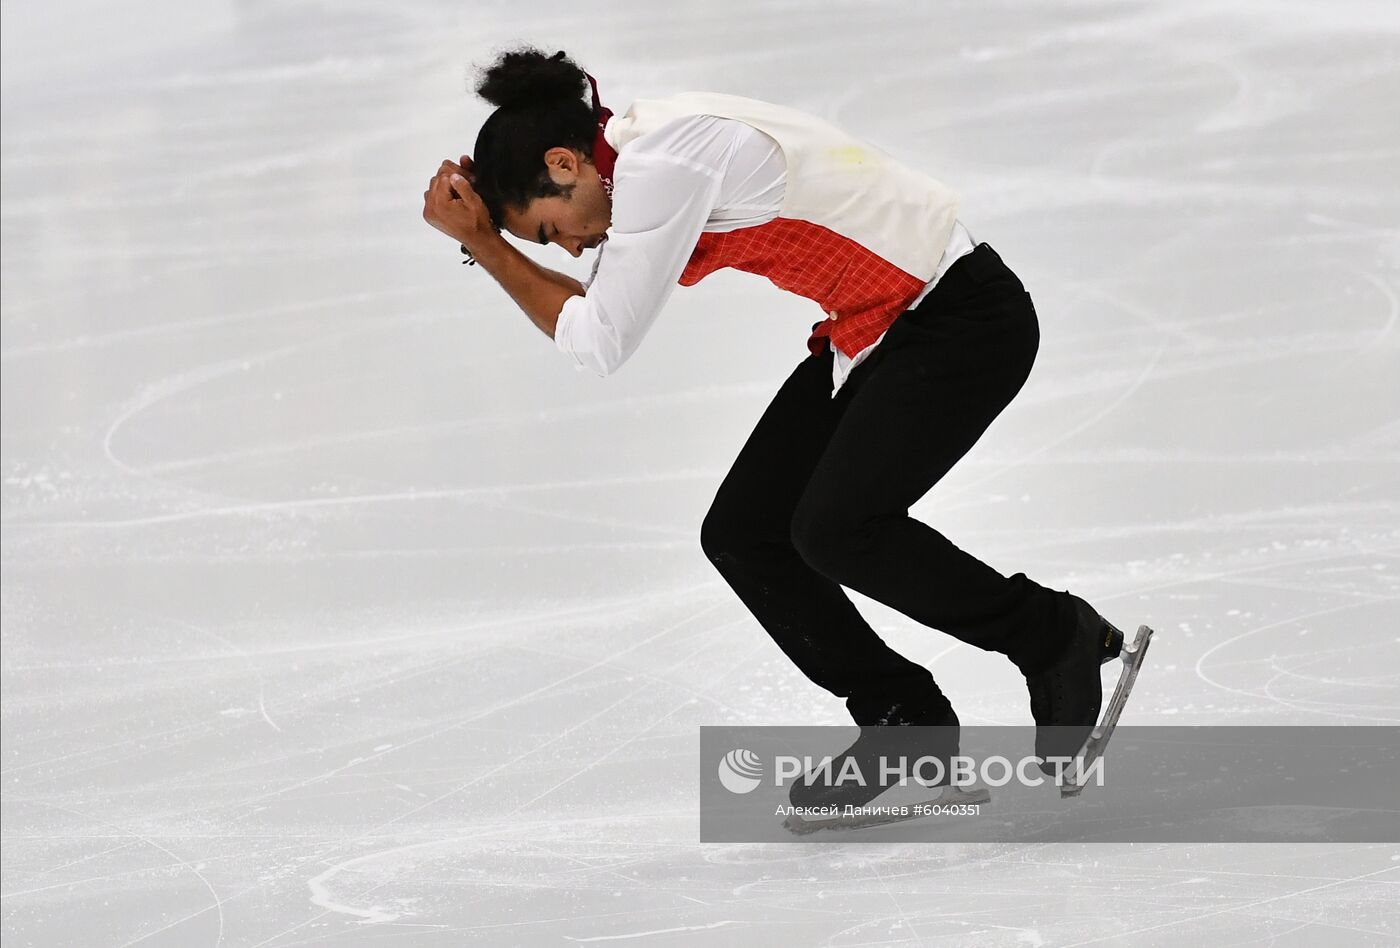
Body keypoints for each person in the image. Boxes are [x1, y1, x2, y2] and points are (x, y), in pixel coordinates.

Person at [421, 46, 1142, 783]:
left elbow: (598, 340)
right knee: (745, 533)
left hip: (960, 319)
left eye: (549, 229)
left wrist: (483, 242)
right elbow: (592, 312)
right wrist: (494, 238)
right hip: (876, 333)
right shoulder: (640, 161)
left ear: (565, 165)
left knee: (836, 530)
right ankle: (904, 719)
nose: (573, 246)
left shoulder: (662, 164)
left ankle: (1054, 636)